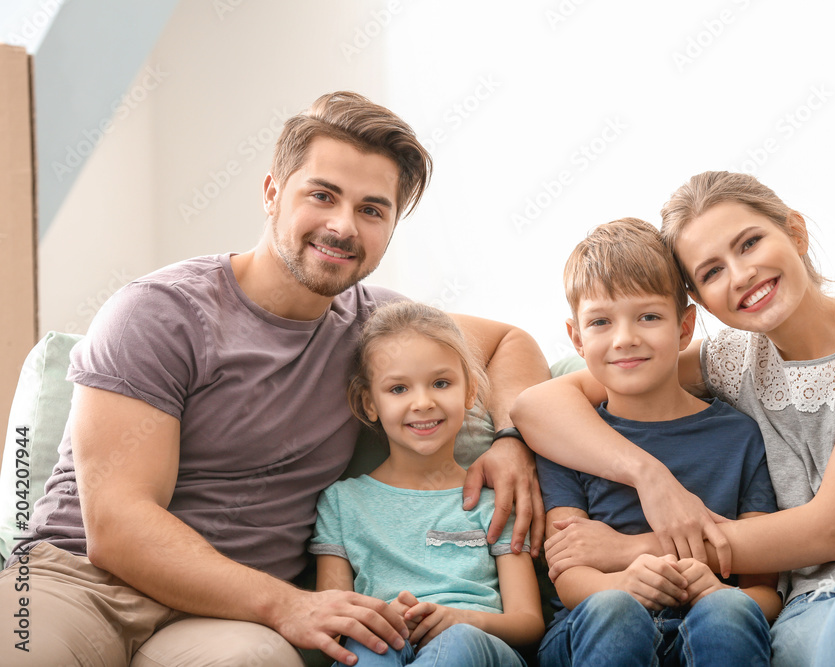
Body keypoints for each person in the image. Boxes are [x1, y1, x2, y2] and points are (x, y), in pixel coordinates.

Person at [0, 91, 549, 667]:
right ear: (271, 193)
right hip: (83, 579)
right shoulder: (160, 313)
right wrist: (288, 605)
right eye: (322, 195)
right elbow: (115, 526)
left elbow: (509, 342)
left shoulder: (380, 330)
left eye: (372, 209)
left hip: (226, 619)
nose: (343, 226)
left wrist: (513, 439)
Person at [512, 171, 835, 665]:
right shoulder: (734, 359)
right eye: (712, 272)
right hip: (808, 604)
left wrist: (627, 550)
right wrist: (648, 475)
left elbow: (828, 530)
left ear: (795, 233)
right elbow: (536, 406)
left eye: (749, 243)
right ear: (700, 304)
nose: (740, 275)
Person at [533, 218, 779, 666]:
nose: (625, 339)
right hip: (591, 622)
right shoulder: (568, 438)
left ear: (684, 327)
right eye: (601, 322)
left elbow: (764, 590)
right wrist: (621, 585)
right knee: (615, 610)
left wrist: (719, 591)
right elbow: (568, 574)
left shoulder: (739, 436)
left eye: (648, 317)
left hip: (707, 620)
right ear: (576, 338)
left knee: (729, 609)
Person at [312, 301, 545, 666]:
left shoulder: (494, 500)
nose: (422, 402)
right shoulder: (341, 503)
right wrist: (381, 617)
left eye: (441, 383)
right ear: (369, 402)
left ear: (469, 391)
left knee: (458, 642)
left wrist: (464, 619)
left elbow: (529, 624)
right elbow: (334, 618)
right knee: (367, 646)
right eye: (398, 389)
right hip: (386, 639)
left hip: (479, 645)